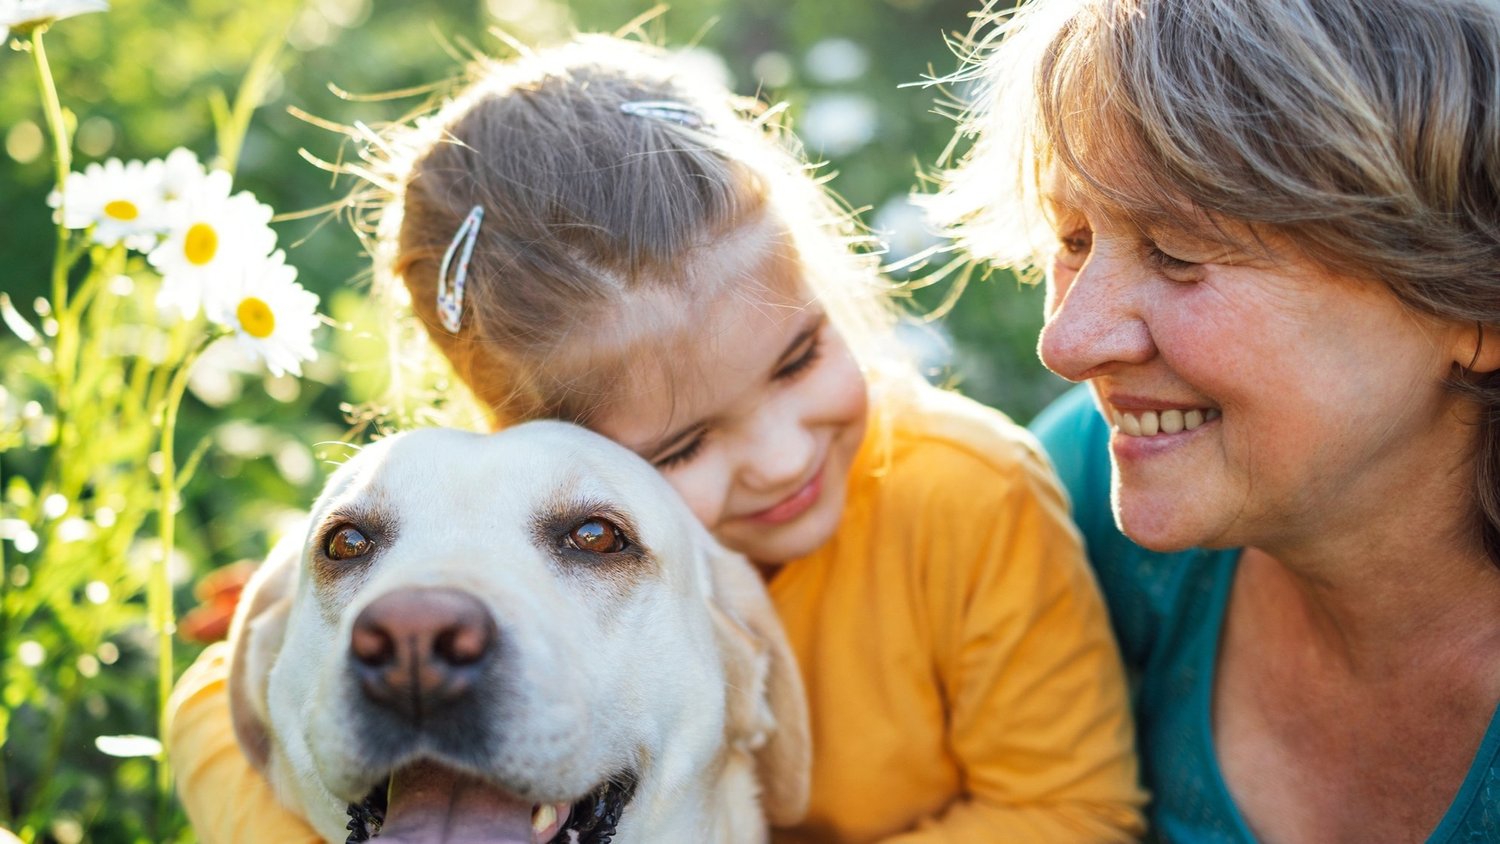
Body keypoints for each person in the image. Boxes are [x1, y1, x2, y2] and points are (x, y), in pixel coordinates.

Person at [166, 35, 1147, 842]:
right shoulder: (490, 525)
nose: (778, 454)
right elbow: (213, 697)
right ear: (531, 438)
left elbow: (1068, 807)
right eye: (680, 447)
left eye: (799, 357)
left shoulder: (965, 493)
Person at [930, 0, 1500, 840]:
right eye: (1075, 237)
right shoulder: (1075, 490)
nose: (1068, 342)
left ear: (1475, 307)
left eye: (1179, 252)